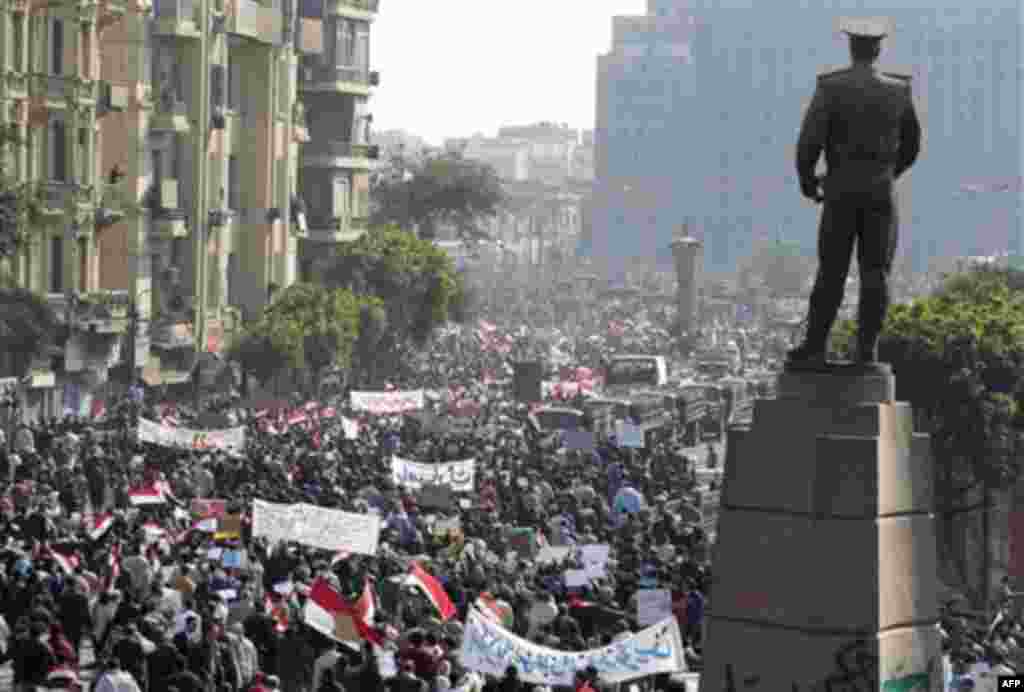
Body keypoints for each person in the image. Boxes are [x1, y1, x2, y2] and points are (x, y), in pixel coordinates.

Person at [787, 16, 921, 366]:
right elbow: (911, 147)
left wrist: (808, 180)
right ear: (878, 49)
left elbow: (809, 142)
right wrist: (887, 174)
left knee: (831, 270)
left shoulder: (831, 88)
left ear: (851, 48)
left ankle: (815, 346)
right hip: (880, 194)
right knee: (876, 272)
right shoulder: (898, 90)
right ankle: (866, 350)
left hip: (840, 192)